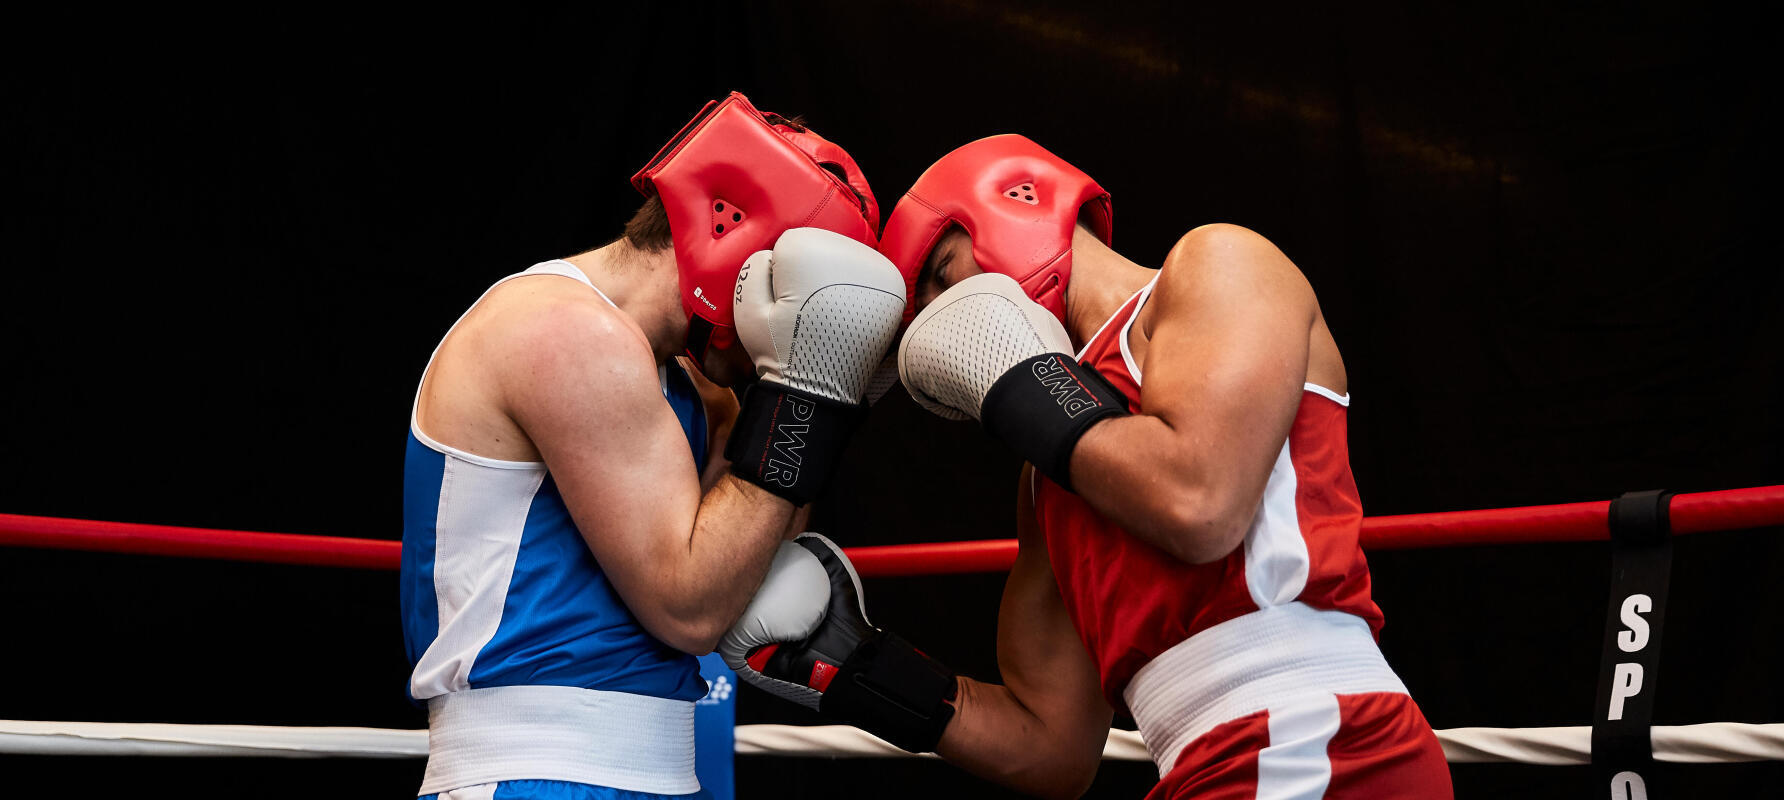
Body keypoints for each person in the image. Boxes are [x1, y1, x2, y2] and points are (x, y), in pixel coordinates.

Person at [722, 135, 1452, 798]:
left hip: (1318, 744)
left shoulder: (1219, 264)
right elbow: (1053, 748)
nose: (942, 318)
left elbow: (1201, 505)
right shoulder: (1051, 474)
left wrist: (1022, 381)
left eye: (944, 277)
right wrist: (855, 668)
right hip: (1213, 767)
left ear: (1022, 201)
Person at [401, 92, 906, 800]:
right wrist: (807, 395)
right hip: (542, 773)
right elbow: (690, 607)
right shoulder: (563, 330)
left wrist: (828, 405)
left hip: (652, 770)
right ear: (734, 229)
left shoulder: (686, 384)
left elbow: (739, 570)